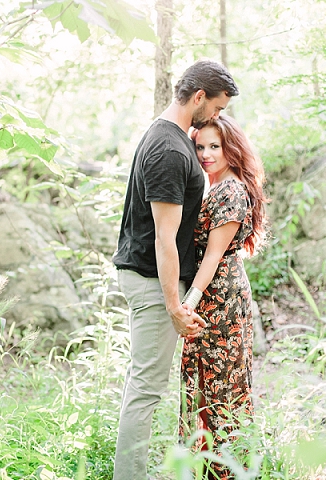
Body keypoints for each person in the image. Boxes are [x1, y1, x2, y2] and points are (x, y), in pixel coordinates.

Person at [112, 60, 240, 480]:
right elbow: (163, 237)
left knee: (144, 386)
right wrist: (173, 304)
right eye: (217, 109)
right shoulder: (168, 149)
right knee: (146, 390)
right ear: (199, 97)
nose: (217, 119)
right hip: (152, 281)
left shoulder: (172, 138)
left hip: (153, 278)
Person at [179, 115, 268, 479]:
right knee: (209, 379)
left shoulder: (230, 191)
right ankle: (209, 468)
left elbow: (213, 255)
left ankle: (226, 471)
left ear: (231, 146)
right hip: (215, 291)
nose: (206, 154)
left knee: (220, 383)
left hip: (221, 297)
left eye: (214, 146)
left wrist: (189, 302)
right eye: (200, 146)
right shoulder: (217, 188)